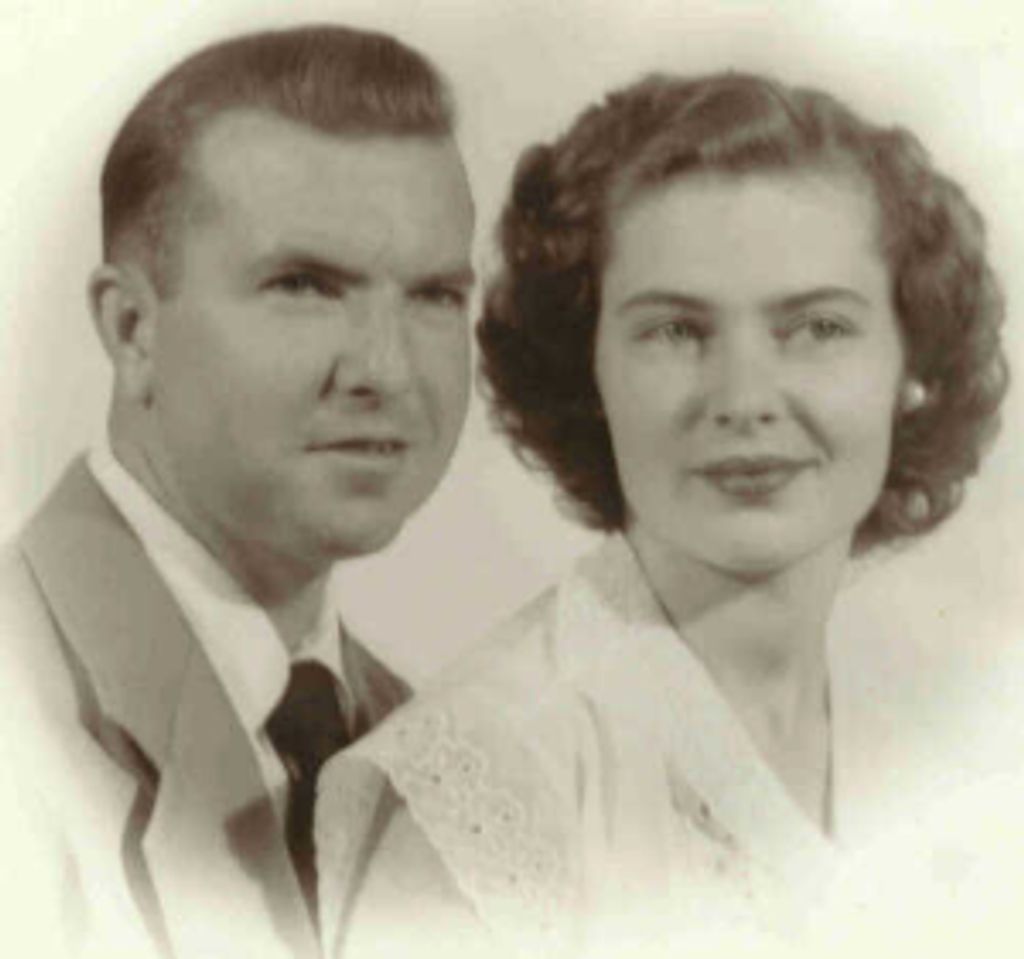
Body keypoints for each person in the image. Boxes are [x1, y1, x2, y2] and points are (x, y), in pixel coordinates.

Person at [315, 70, 1008, 955]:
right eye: (676, 331)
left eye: (818, 328)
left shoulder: (950, 724)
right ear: (588, 371)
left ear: (913, 367)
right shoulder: (490, 785)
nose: (744, 399)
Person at [0, 24, 474, 959]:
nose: (387, 369)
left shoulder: (432, 748)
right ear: (132, 329)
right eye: (304, 284)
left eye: (435, 296)